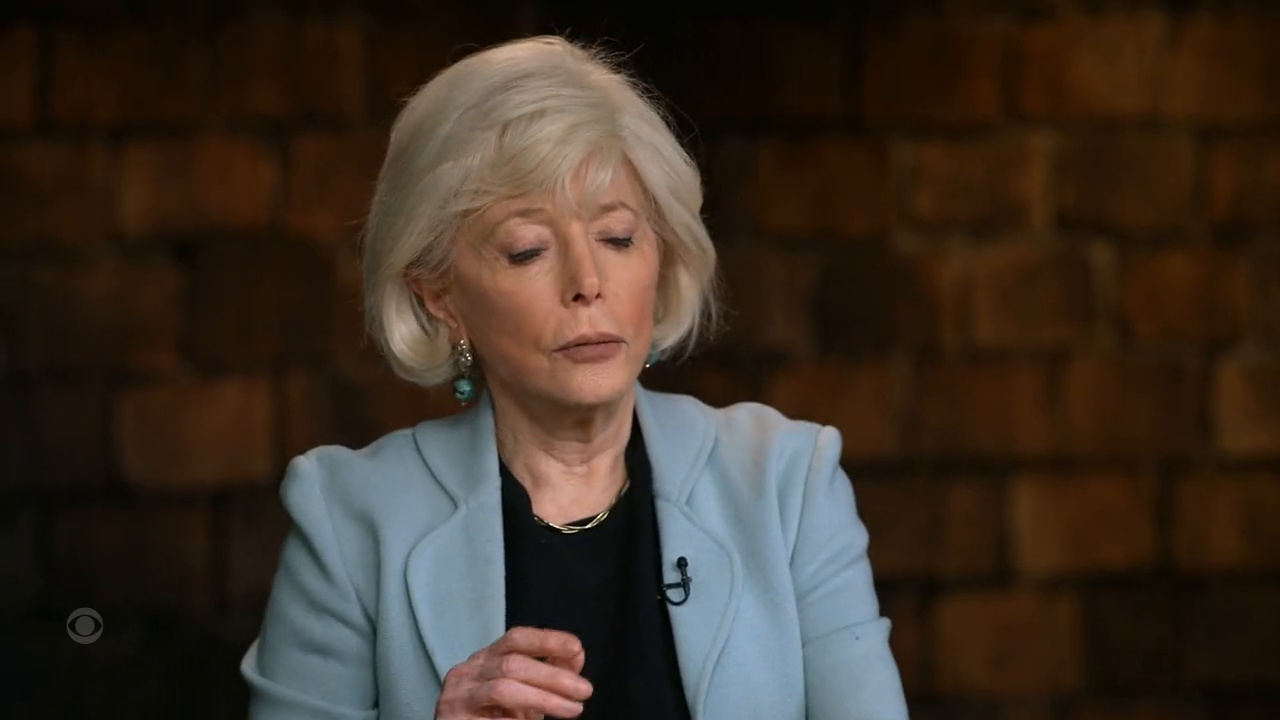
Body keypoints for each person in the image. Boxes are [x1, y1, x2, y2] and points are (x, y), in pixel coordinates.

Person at [240, 35, 909, 720]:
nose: (588, 282)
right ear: (438, 294)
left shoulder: (787, 484)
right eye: (527, 250)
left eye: (618, 238)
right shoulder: (348, 519)